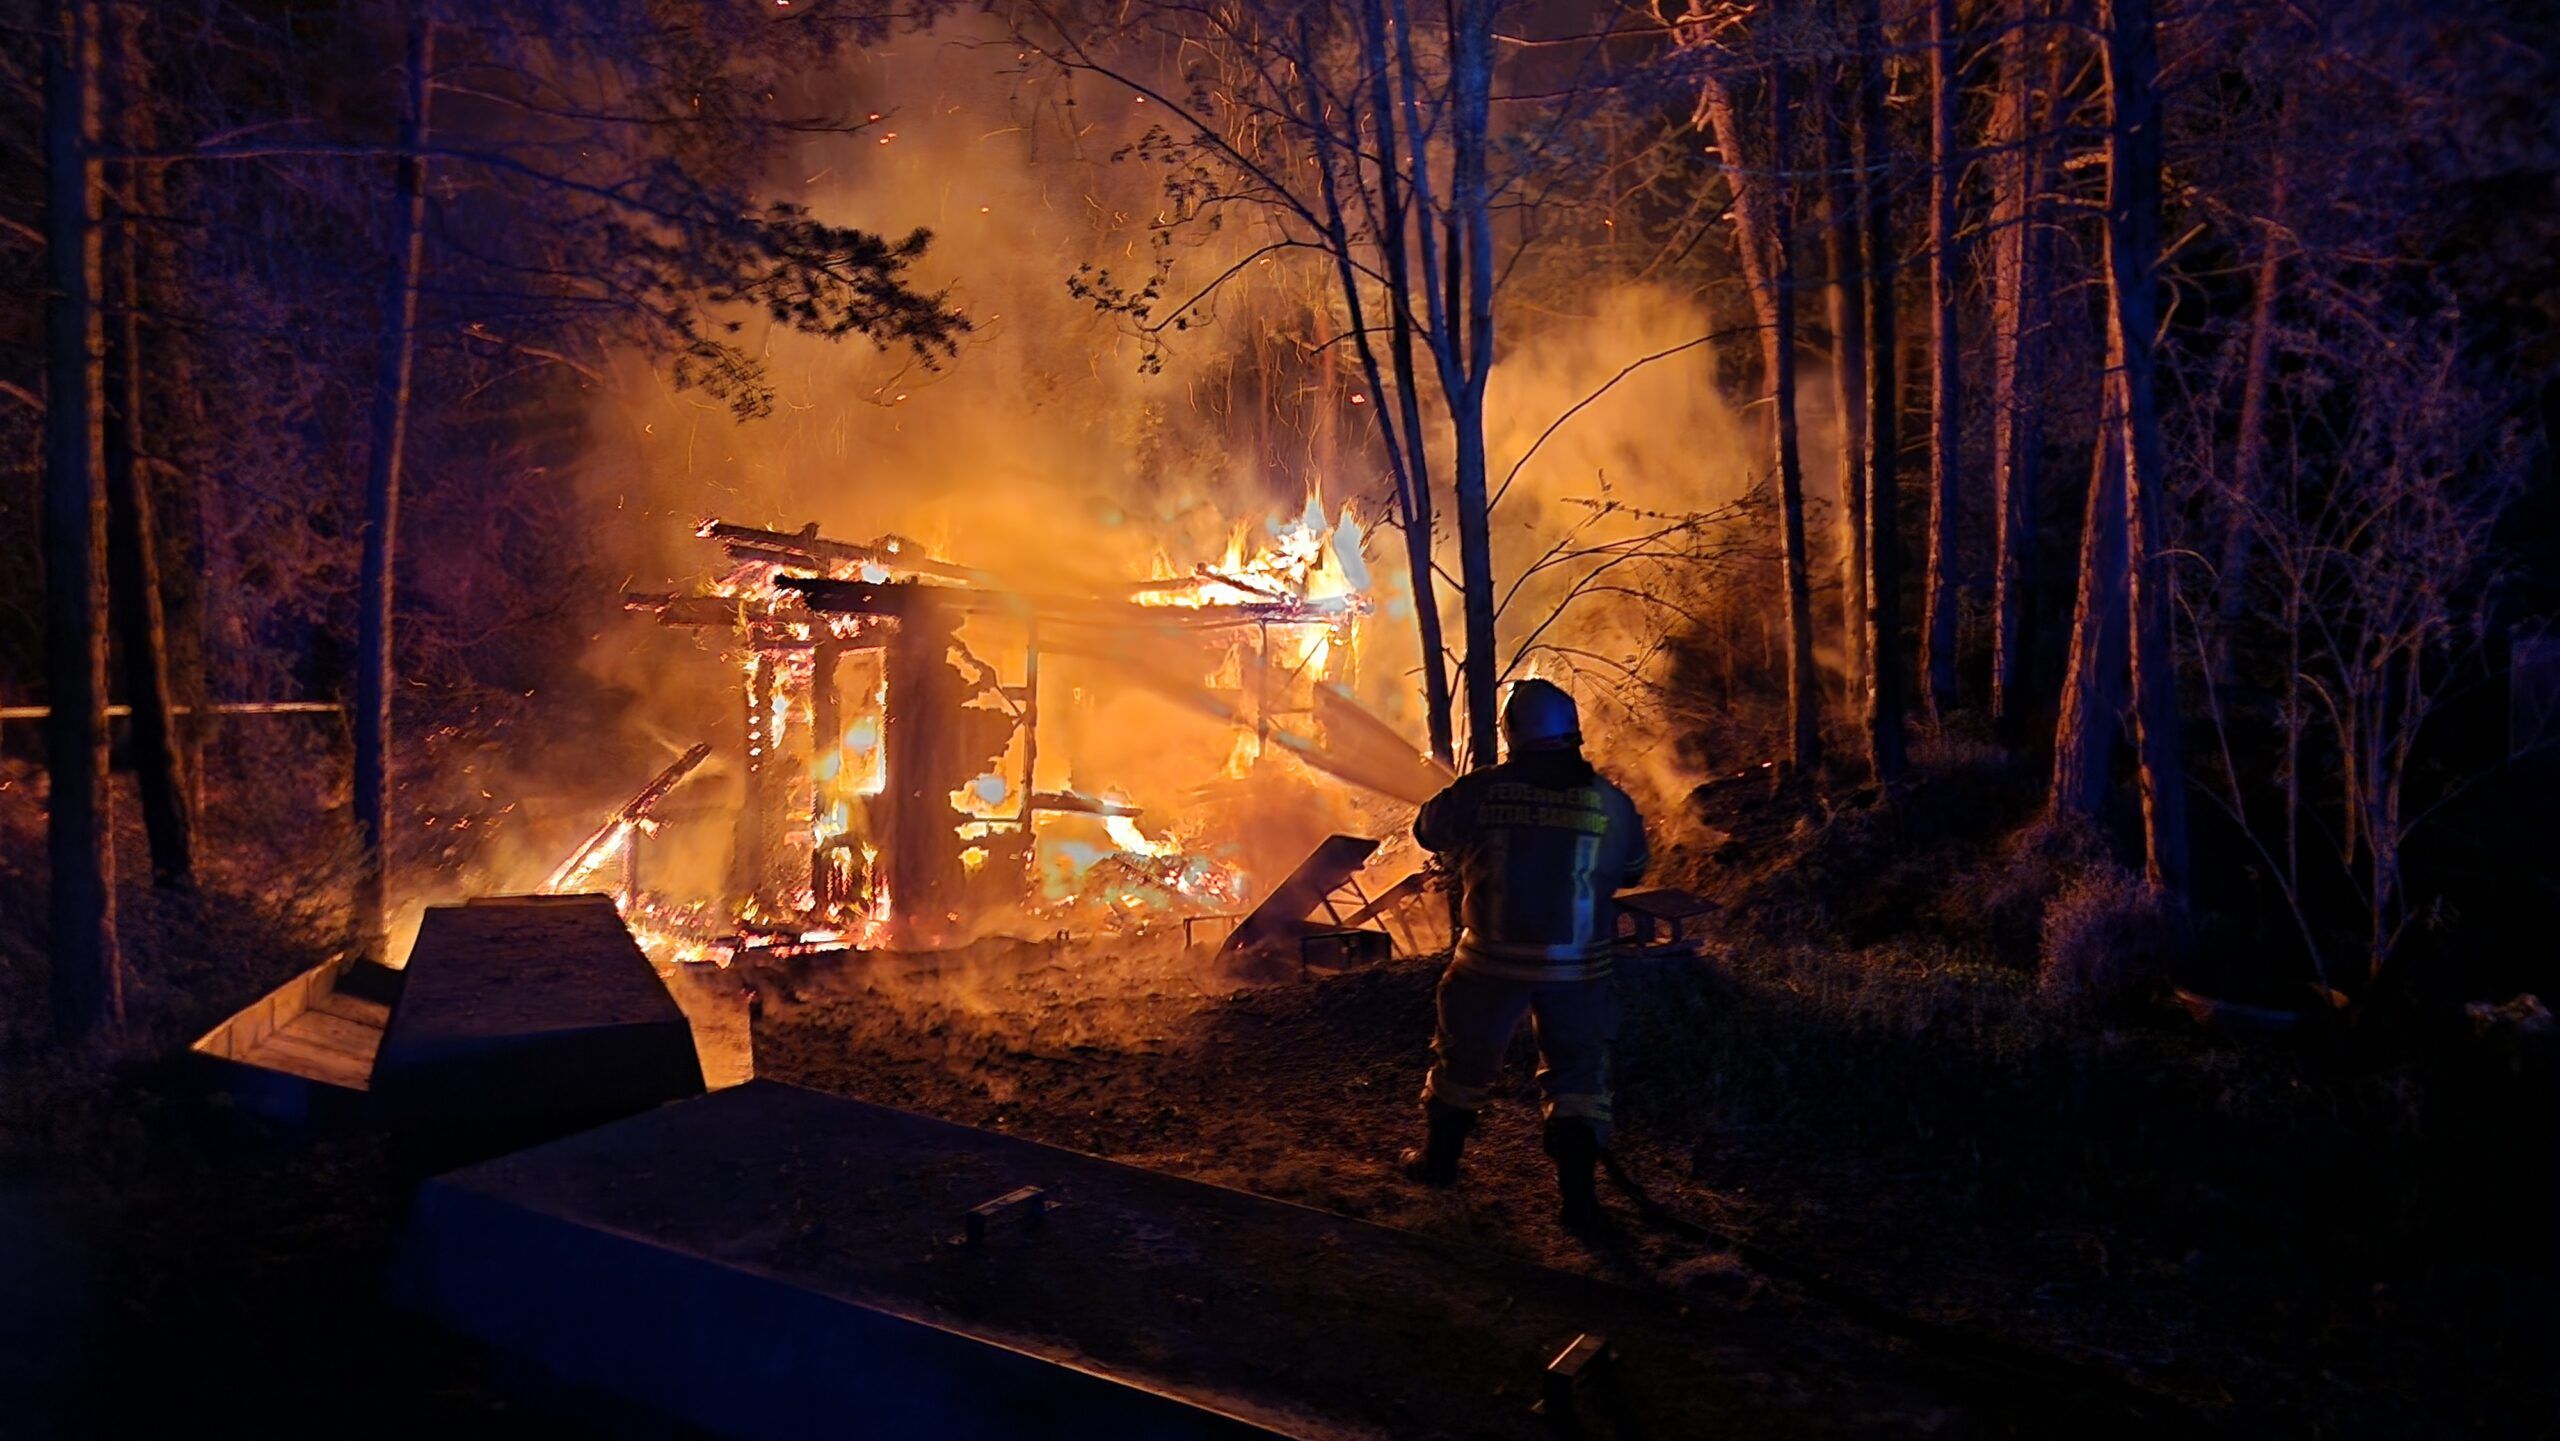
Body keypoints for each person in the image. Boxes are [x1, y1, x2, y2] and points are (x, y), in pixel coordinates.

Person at [1401, 678, 1650, 1230]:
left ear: (1511, 733)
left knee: (1462, 1062)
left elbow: (1427, 830)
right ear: (1573, 732)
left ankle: (1439, 1164)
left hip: (1489, 961)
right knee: (1577, 1076)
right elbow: (1634, 868)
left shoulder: (1482, 791)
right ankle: (1579, 1203)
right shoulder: (1609, 801)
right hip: (1578, 968)